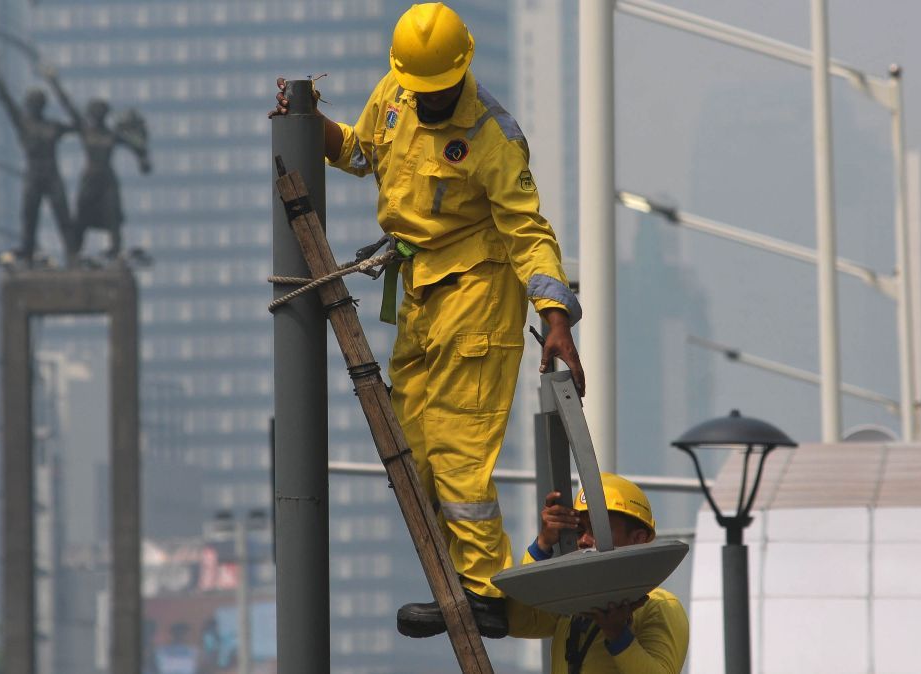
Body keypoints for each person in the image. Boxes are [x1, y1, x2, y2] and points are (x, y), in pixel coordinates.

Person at [270, 2, 585, 639]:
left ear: (462, 73)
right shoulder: (395, 93)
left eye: (440, 94)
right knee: (410, 446)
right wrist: (309, 126)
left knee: (459, 449)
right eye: (423, 93)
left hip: (480, 290)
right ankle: (457, 587)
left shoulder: (493, 136)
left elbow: (528, 231)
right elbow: (361, 153)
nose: (431, 105)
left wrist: (555, 317)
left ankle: (483, 591)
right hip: (422, 290)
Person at [508, 474, 689, 673]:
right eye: (579, 530)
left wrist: (618, 634)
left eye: (598, 529)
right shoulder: (572, 604)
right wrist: (542, 544)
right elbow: (517, 621)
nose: (583, 540)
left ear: (638, 538)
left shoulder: (659, 605)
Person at [42, 65, 152, 259]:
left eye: (101, 111)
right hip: (90, 180)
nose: (97, 115)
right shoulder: (86, 131)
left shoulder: (112, 134)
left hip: (107, 181)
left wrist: (143, 159)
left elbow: (136, 146)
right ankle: (74, 252)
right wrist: (53, 81)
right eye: (95, 111)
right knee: (81, 217)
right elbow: (68, 105)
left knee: (113, 218)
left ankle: (115, 251)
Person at [0, 47, 76, 263]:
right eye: (30, 102)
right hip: (33, 176)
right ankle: (28, 257)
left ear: (41, 105)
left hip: (52, 176)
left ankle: (72, 257)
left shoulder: (53, 126)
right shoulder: (24, 124)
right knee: (29, 220)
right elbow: (4, 98)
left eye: (34, 102)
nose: (30, 106)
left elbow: (78, 122)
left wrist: (54, 83)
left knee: (64, 218)